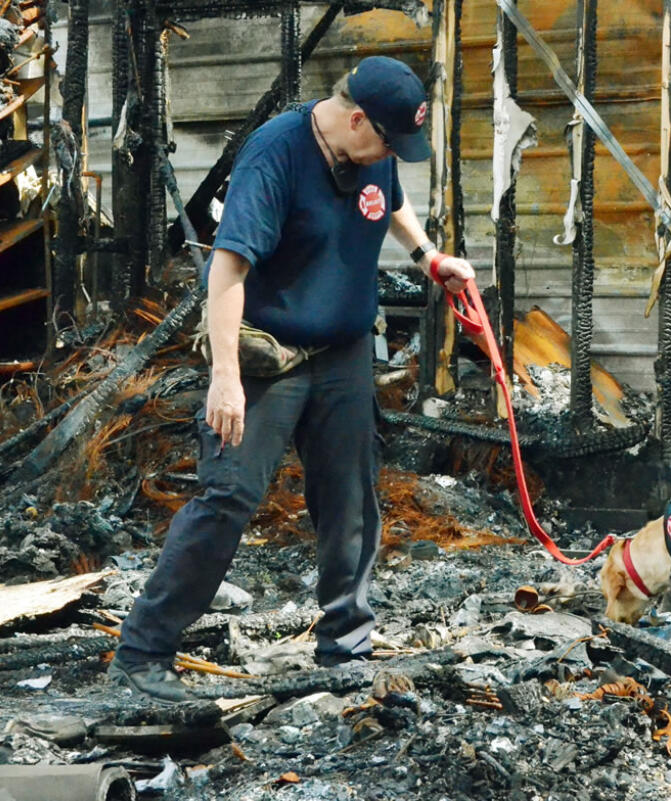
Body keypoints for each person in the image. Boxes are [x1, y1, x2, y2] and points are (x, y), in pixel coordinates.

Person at [108, 56, 475, 702]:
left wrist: (429, 256)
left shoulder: (373, 150)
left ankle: (346, 644)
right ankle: (142, 650)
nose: (390, 155)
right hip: (267, 355)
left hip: (342, 352)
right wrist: (224, 378)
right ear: (357, 118)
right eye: (387, 142)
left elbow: (391, 198)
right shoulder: (274, 155)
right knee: (227, 497)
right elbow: (226, 271)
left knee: (350, 500)